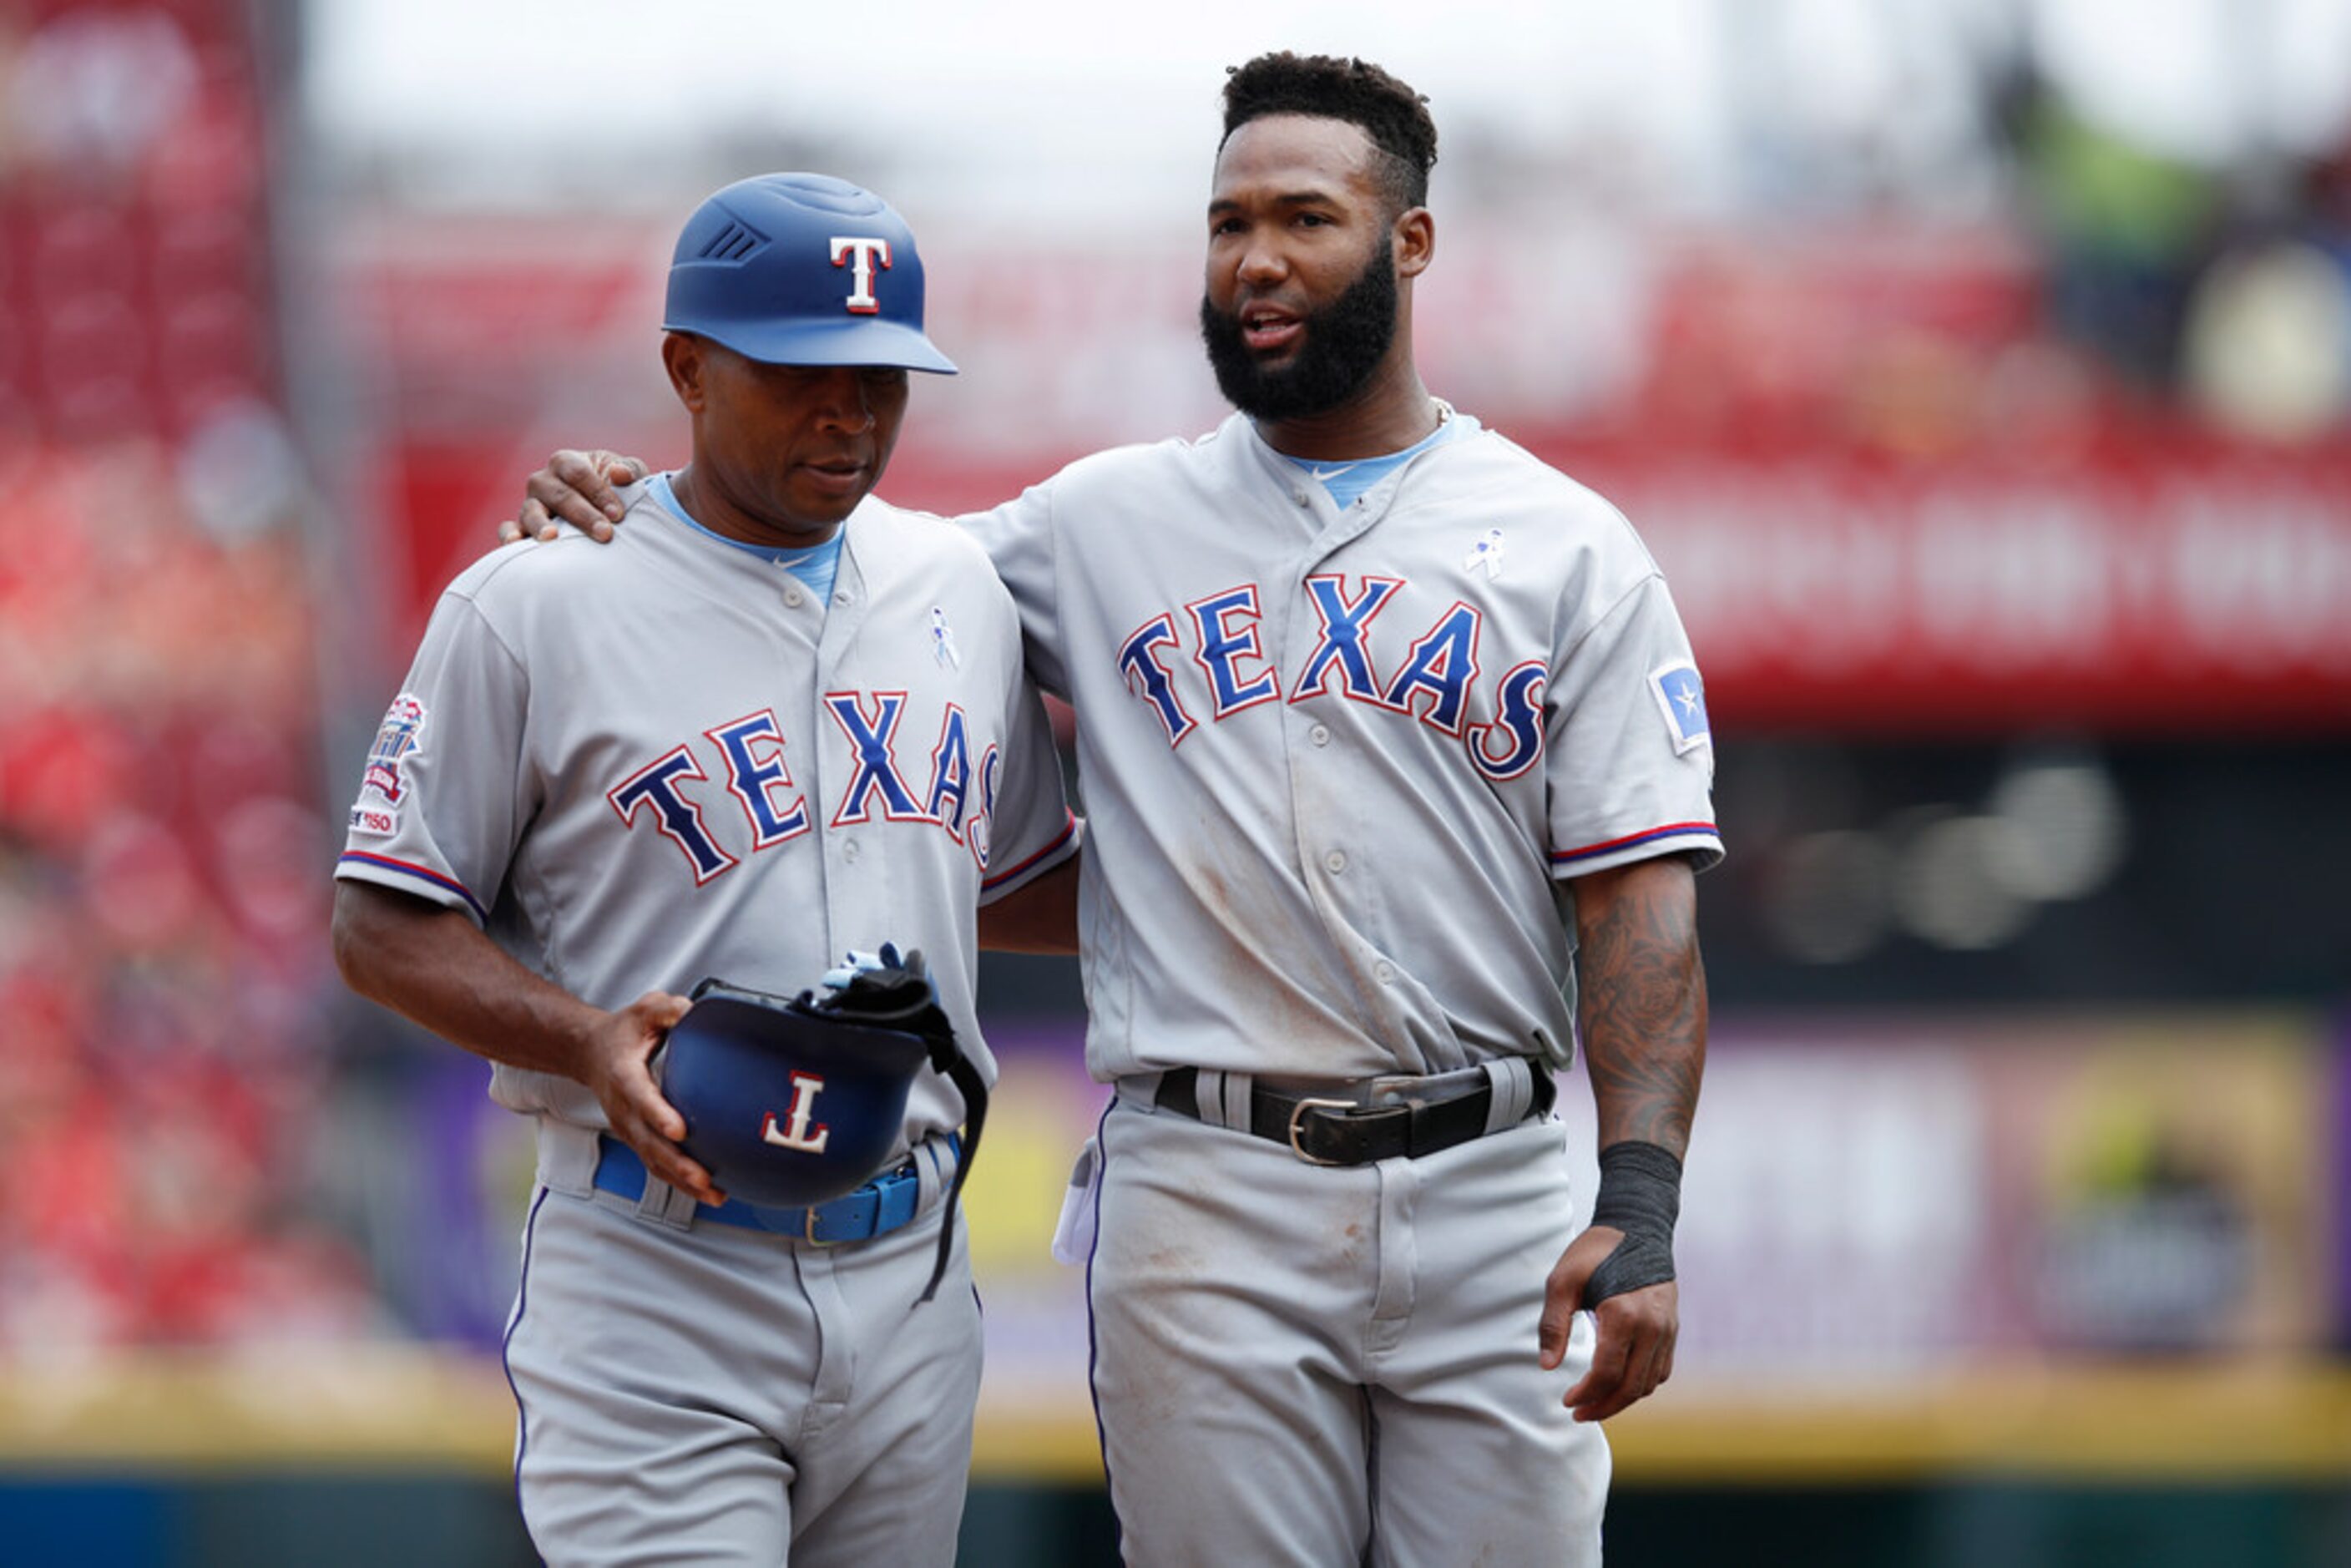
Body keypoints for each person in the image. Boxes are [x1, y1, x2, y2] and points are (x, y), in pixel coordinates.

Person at [518, 53, 1717, 1567]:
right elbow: (819, 574)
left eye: (1304, 218)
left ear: (1410, 244)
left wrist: (1648, 1203)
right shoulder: (1094, 522)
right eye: (1226, 224)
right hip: (1209, 1179)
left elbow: (1643, 902)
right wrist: (635, 506)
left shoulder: (1569, 547)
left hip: (1496, 1184)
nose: (1256, 260)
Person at [335, 172, 1080, 1568]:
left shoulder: (956, 589)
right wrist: (583, 1034)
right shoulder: (538, 597)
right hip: (655, 1259)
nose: (848, 414)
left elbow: (1011, 876)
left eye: (879, 376)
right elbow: (381, 925)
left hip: (915, 1268)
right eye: (802, 373)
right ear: (685, 367)